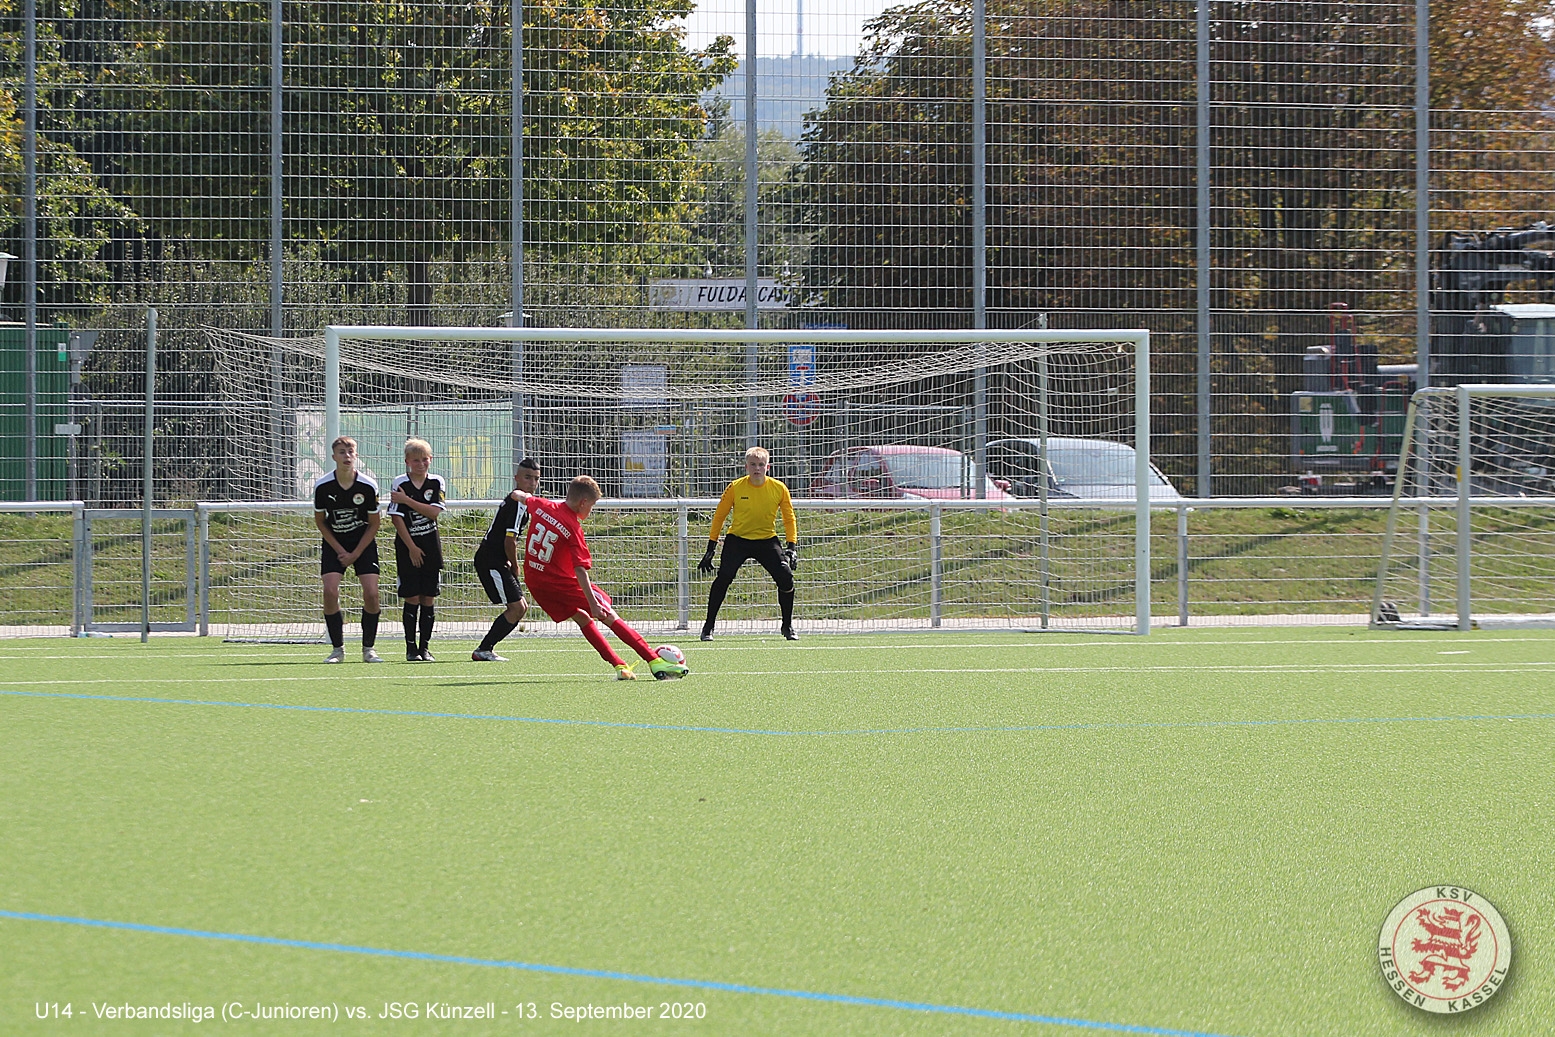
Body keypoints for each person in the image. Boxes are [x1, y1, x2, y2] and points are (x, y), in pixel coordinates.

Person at [518, 475, 688, 681]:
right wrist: (594, 604)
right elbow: (580, 570)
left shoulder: (542, 505)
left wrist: (514, 496)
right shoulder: (572, 527)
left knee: (582, 618)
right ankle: (654, 660)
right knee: (608, 614)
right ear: (583, 502)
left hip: (535, 581)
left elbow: (521, 496)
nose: (591, 511)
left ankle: (620, 666)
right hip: (559, 582)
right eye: (592, 506)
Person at [698, 446, 799, 641]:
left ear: (768, 467)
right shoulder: (735, 487)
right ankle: (708, 627)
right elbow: (719, 516)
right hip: (738, 540)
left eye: (761, 464)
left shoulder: (779, 488)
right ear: (746, 467)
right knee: (724, 577)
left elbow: (789, 518)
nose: (757, 468)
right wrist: (711, 547)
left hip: (766, 540)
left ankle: (787, 626)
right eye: (753, 464)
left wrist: (791, 547)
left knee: (786, 577)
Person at [313, 435, 384, 663]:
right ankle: (337, 649)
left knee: (372, 594)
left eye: (350, 451)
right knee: (330, 591)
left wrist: (355, 553)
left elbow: (374, 524)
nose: (347, 456)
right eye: (342, 452)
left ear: (356, 455)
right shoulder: (323, 486)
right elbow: (320, 521)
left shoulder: (368, 485)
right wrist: (339, 549)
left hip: (362, 544)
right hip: (335, 544)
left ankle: (368, 649)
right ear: (333, 456)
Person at [471, 457, 542, 662]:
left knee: (520, 607)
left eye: (536, 478)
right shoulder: (518, 503)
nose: (532, 483)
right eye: (527, 477)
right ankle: (484, 649)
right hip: (490, 560)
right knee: (517, 607)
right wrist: (515, 566)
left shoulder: (521, 502)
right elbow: (509, 540)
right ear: (516, 478)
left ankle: (485, 649)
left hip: (497, 559)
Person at [386, 438, 449, 662]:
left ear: (430, 459)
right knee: (412, 597)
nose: (421, 464)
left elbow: (434, 512)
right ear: (407, 462)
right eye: (415, 460)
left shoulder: (436, 482)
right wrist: (411, 547)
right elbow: (396, 518)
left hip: (431, 546)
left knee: (428, 597)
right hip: (407, 547)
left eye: (424, 459)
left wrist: (407, 500)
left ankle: (425, 648)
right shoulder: (400, 482)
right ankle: (411, 649)